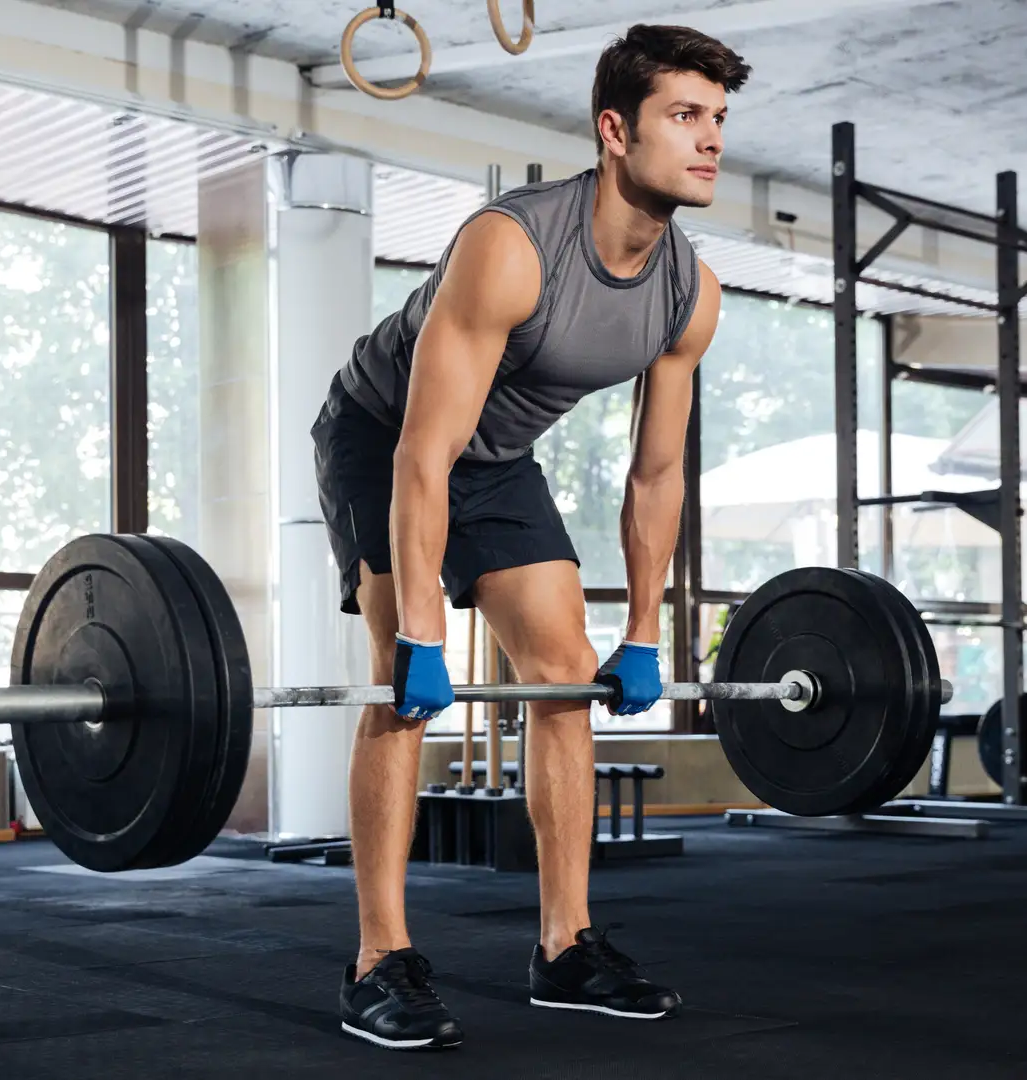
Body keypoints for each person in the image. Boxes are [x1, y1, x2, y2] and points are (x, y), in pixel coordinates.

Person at [314, 23, 749, 1051]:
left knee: (564, 671)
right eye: (685, 115)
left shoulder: (689, 293)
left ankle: (565, 946)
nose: (710, 140)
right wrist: (423, 629)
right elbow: (423, 452)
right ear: (615, 130)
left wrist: (644, 632)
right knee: (399, 680)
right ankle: (377, 960)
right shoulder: (511, 246)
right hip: (386, 436)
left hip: (497, 460)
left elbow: (656, 475)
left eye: (719, 118)